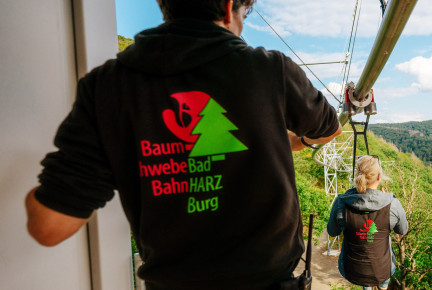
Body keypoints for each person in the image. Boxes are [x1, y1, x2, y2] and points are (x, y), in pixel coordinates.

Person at [24, 0, 341, 288]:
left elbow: (49, 226)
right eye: (244, 16)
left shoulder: (106, 87)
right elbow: (330, 129)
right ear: (229, 7)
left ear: (163, 4)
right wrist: (294, 141)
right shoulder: (272, 70)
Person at [327, 155, 408, 289]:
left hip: (352, 270)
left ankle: (367, 287)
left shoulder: (341, 202)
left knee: (365, 278)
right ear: (379, 177)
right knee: (385, 242)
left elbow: (332, 231)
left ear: (357, 176)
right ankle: (383, 285)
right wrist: (385, 199)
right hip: (382, 270)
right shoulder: (392, 204)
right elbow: (402, 230)